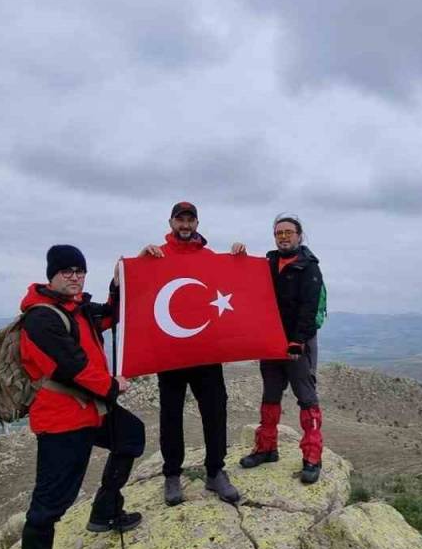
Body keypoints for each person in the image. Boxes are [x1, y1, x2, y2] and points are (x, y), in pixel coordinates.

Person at [19, 244, 145, 549]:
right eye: (67, 271)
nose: (75, 277)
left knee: (131, 435)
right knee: (51, 502)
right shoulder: (40, 318)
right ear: (52, 275)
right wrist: (111, 386)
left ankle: (105, 511)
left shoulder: (78, 309)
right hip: (61, 420)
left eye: (80, 271)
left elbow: (114, 315)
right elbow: (70, 368)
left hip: (90, 409)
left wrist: (118, 283)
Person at [139, 201, 242, 505]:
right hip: (170, 353)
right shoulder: (156, 256)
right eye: (180, 220)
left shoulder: (209, 258)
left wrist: (239, 260)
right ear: (171, 222)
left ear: (197, 223)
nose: (185, 225)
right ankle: (172, 475)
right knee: (170, 414)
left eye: (190, 220)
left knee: (215, 410)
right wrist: (138, 263)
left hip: (206, 353)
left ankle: (215, 471)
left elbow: (235, 286)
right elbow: (133, 292)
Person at [237, 214, 326, 484]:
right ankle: (266, 448)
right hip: (271, 343)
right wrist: (238, 258)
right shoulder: (268, 264)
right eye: (279, 233)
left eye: (289, 232)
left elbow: (309, 307)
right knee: (270, 396)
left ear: (299, 235)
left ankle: (312, 456)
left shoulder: (309, 267)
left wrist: (297, 341)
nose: (284, 237)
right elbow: (246, 285)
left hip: (298, 345)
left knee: (306, 399)